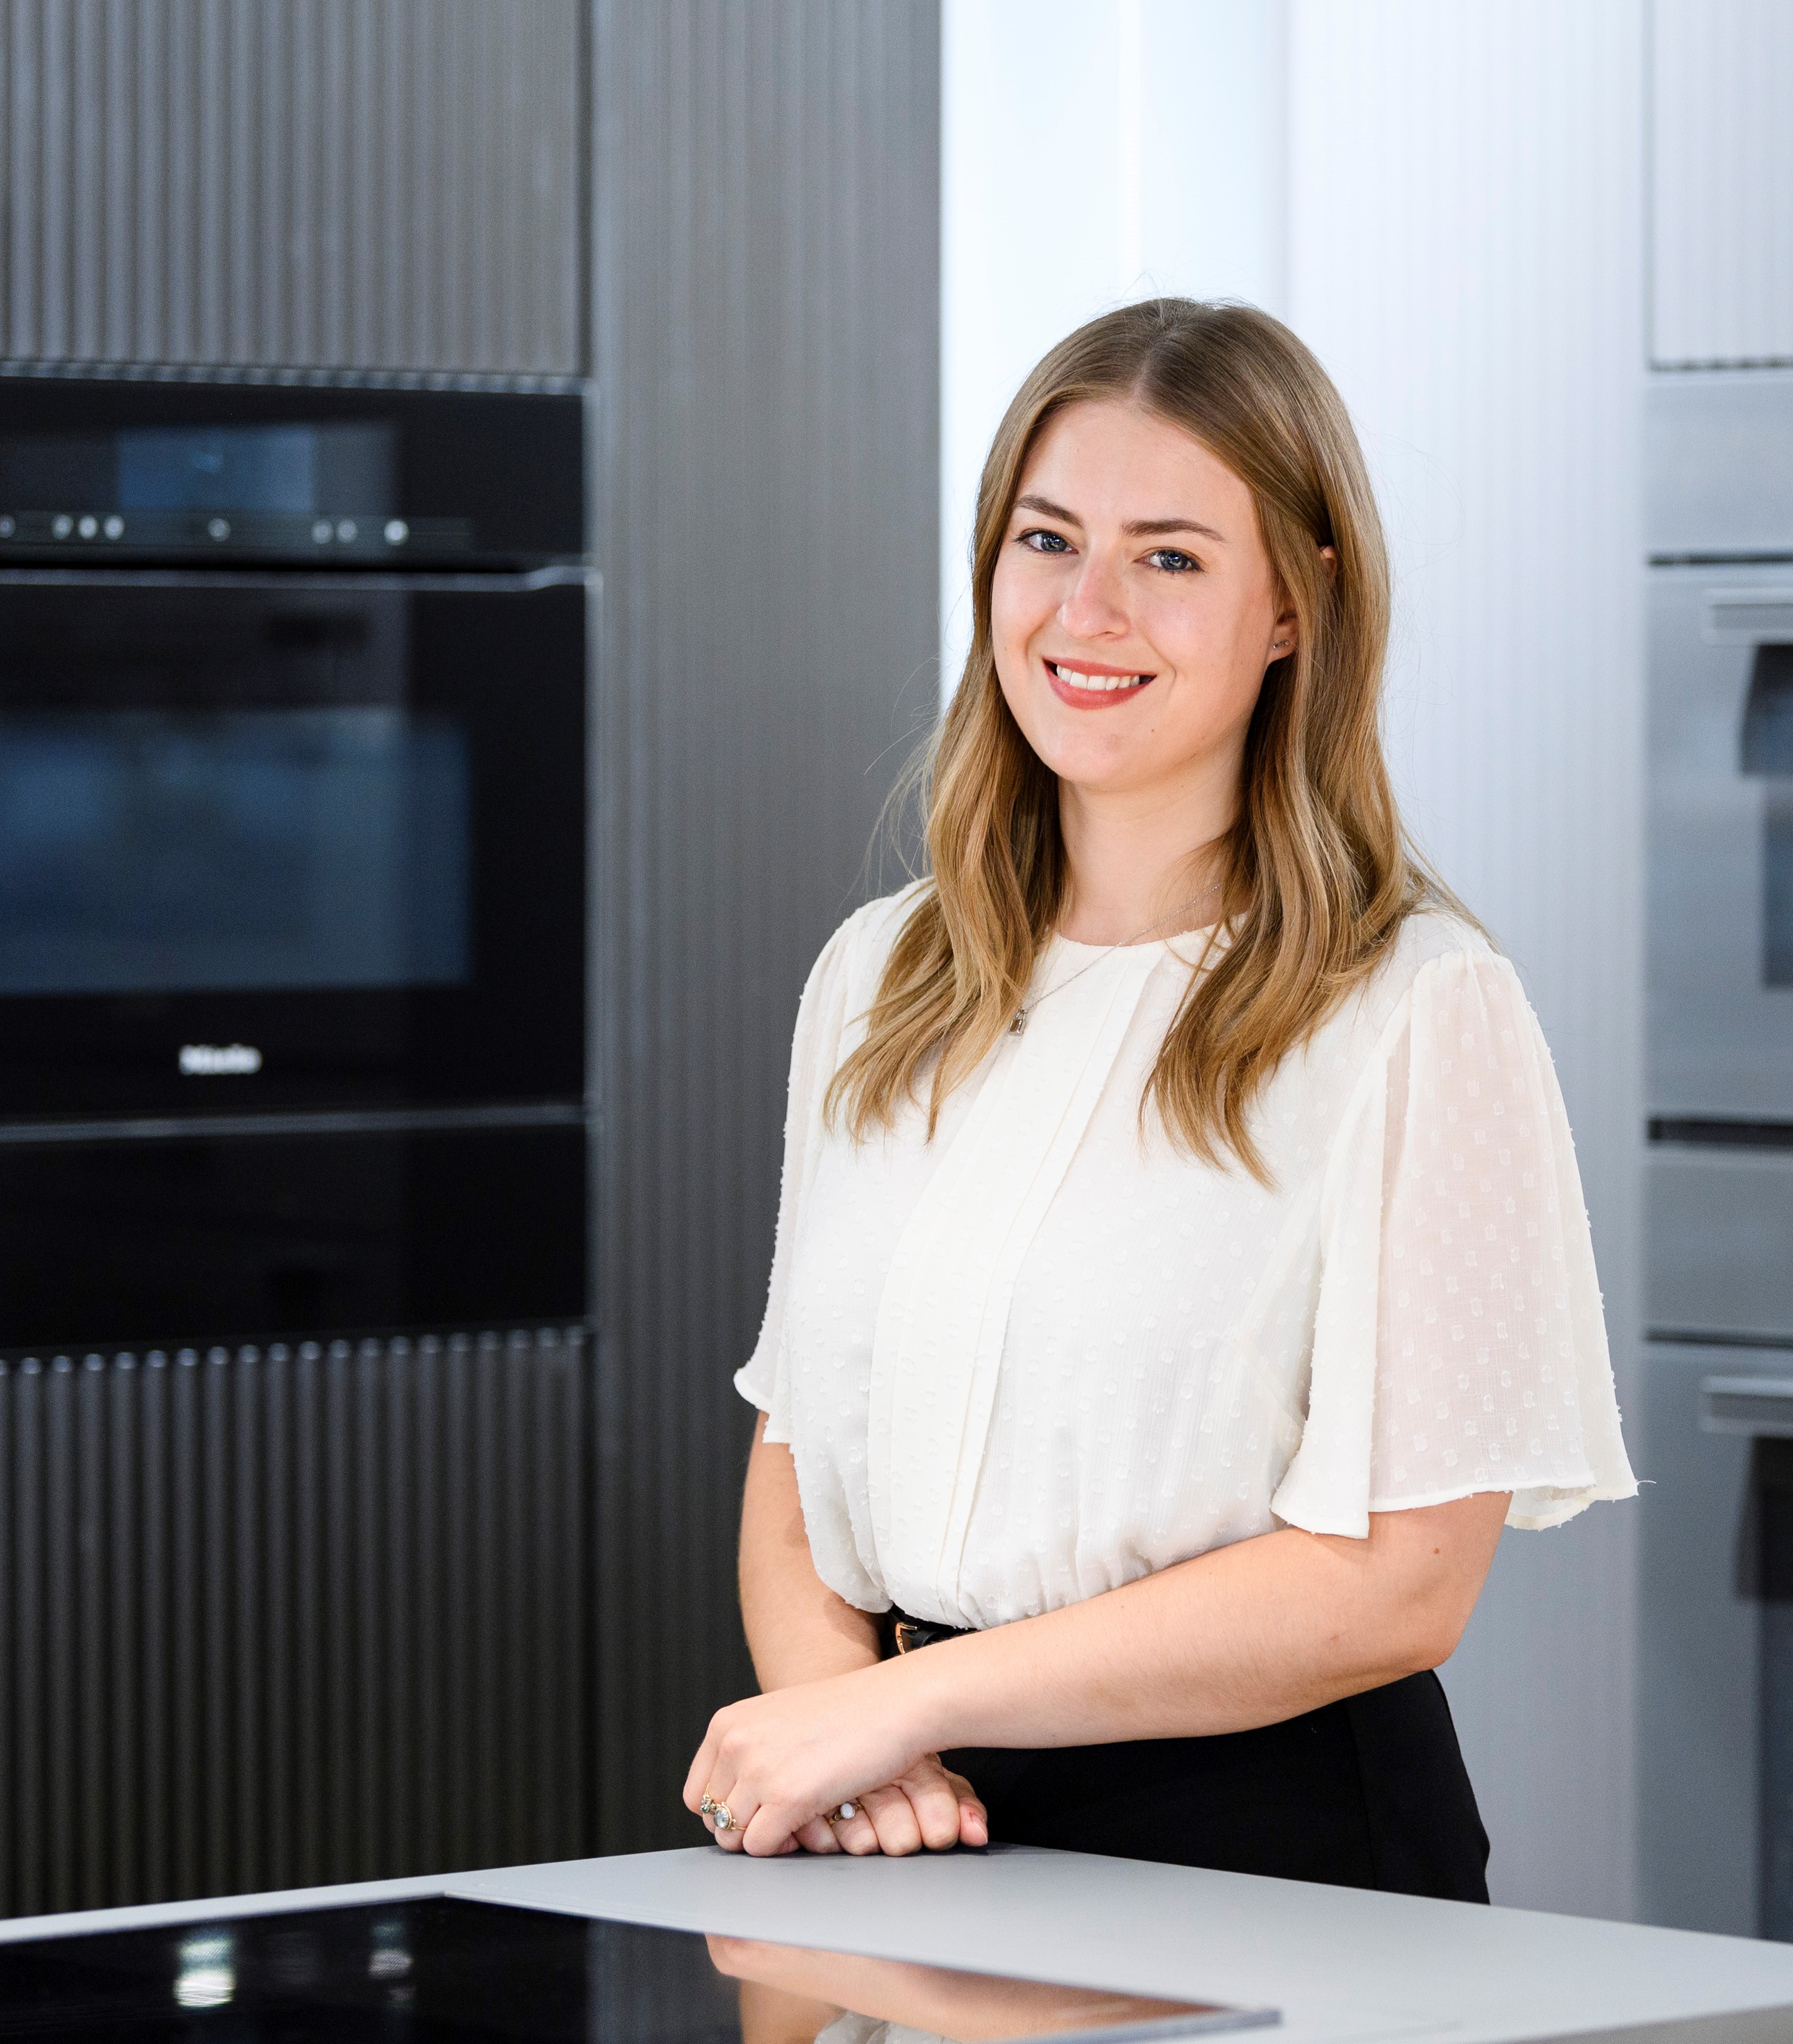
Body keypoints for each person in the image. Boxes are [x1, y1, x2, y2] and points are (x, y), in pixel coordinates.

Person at [685, 298, 1634, 1901]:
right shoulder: (876, 975)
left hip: (1267, 1856)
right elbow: (800, 1452)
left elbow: (1401, 1582)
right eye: (1047, 539)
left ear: (1295, 606)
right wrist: (831, 1717)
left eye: (1171, 556)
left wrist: (895, 1704)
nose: (1088, 607)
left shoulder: (1414, 1005)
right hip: (893, 1819)